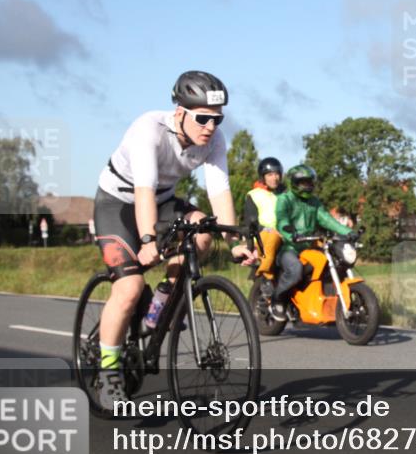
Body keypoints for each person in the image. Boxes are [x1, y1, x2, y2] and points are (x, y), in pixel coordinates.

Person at [92, 71, 255, 410]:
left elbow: (219, 193)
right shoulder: (148, 130)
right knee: (129, 288)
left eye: (217, 118)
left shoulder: (214, 140)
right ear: (180, 113)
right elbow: (143, 191)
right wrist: (149, 240)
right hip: (118, 203)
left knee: (203, 234)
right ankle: (108, 377)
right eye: (203, 118)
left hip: (163, 200)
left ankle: (160, 305)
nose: (211, 126)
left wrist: (234, 241)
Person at [272, 164, 354, 319]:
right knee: (295, 269)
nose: (308, 186)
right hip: (289, 247)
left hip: (308, 247)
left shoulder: (314, 202)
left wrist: (348, 232)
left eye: (309, 182)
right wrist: (292, 234)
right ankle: (278, 298)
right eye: (304, 182)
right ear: (295, 183)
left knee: (331, 264)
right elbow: (282, 221)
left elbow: (328, 220)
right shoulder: (285, 199)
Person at [243, 156, 284, 291]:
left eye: (277, 174)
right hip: (262, 239)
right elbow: (250, 223)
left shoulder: (283, 196)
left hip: (283, 237)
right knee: (273, 236)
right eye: (270, 174)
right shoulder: (254, 195)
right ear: (263, 177)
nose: (275, 178)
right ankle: (265, 275)